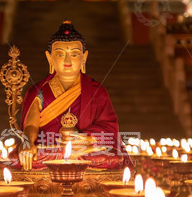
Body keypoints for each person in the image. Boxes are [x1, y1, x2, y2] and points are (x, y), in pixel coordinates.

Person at [17, 20, 121, 170]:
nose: (67, 60)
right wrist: (27, 144)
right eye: (60, 54)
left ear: (84, 57)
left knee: (112, 158)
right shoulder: (39, 91)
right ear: (49, 57)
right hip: (49, 148)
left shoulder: (96, 90)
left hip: (84, 149)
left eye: (74, 54)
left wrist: (85, 138)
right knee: (20, 157)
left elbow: (110, 128)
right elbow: (31, 124)